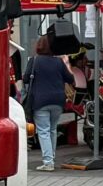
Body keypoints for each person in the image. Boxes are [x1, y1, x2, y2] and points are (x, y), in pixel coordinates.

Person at [23, 34, 72, 170]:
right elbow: (70, 78)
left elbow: (26, 78)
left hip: (41, 100)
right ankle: (52, 157)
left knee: (43, 131)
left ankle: (48, 162)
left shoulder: (34, 61)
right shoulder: (59, 62)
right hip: (58, 101)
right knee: (52, 129)